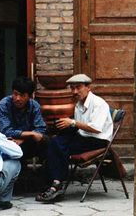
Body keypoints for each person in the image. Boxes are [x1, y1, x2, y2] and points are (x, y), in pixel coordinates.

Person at [36, 73, 113, 202]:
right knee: (53, 141)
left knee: (59, 146)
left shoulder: (99, 104)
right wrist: (67, 125)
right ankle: (53, 183)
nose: (75, 91)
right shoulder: (79, 104)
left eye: (78, 87)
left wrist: (72, 122)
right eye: (72, 88)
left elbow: (96, 129)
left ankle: (56, 184)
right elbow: (79, 127)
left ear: (88, 87)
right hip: (83, 137)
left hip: (97, 141)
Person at [0, 76, 47, 158]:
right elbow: (6, 131)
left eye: (22, 95)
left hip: (26, 141)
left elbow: (41, 128)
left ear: (29, 97)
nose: (17, 98)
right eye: (15, 94)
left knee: (45, 140)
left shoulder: (34, 105)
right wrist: (31, 134)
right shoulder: (4, 104)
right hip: (8, 140)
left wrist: (24, 139)